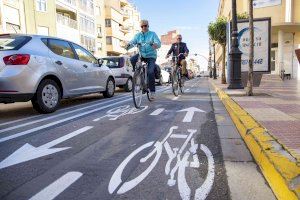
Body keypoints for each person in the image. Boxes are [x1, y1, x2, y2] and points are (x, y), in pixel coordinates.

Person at [126, 20, 161, 100]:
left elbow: (158, 43)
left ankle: (152, 92)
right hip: (141, 54)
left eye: (145, 26)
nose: (144, 27)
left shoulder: (152, 34)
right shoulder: (138, 35)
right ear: (140, 27)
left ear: (148, 26)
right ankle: (139, 74)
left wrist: (155, 45)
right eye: (142, 26)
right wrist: (128, 45)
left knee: (150, 72)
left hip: (151, 55)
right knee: (132, 59)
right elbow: (133, 42)